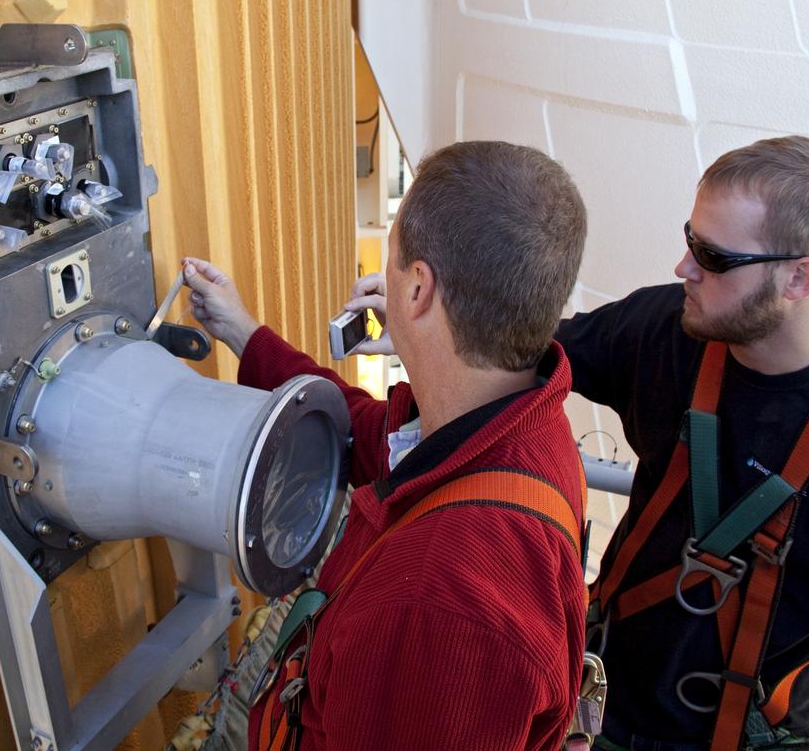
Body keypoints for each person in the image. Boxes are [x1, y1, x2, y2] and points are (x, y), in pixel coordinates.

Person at [183, 140, 589, 750]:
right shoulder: (516, 418)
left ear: (420, 288)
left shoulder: (438, 604)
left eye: (392, 262)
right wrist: (244, 333)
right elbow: (366, 434)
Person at [548, 136, 809, 749]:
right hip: (601, 699)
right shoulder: (666, 330)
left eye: (712, 255)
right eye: (690, 238)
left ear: (799, 278)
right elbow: (524, 349)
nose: (684, 267)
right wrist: (436, 312)